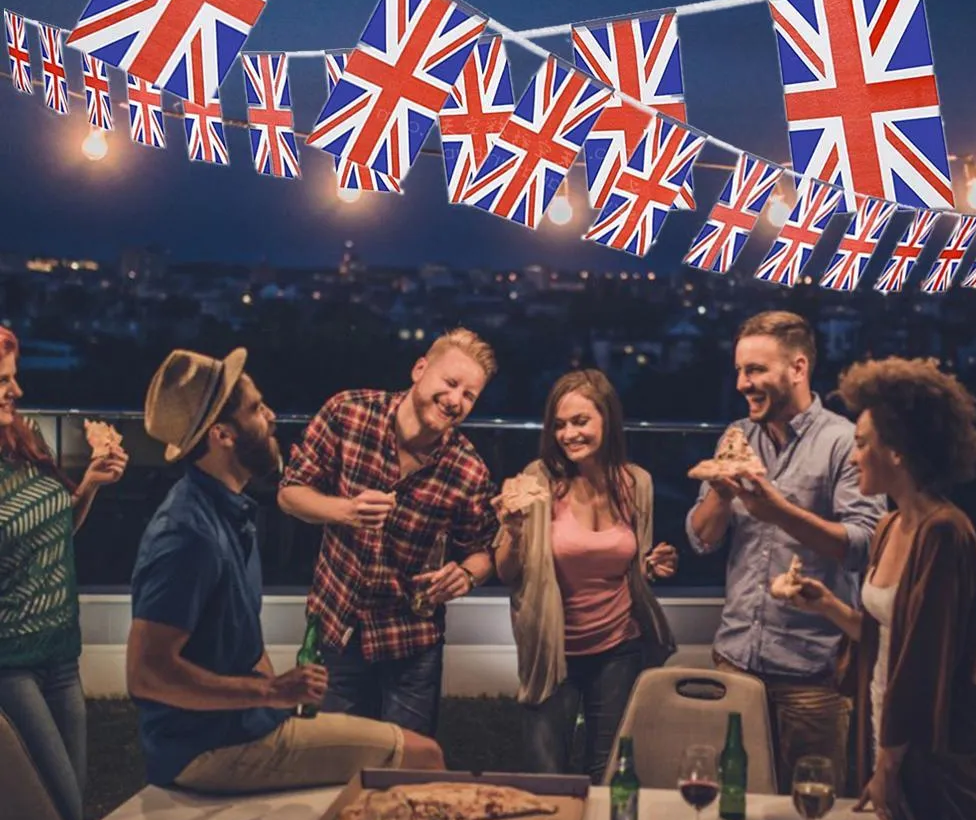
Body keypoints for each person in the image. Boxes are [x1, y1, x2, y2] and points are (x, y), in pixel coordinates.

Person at [127, 348, 443, 794]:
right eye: (256, 409)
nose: (272, 416)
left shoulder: (227, 512)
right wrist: (271, 694)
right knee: (423, 756)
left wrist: (276, 696)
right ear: (222, 435)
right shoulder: (185, 534)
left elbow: (237, 642)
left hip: (243, 726)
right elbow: (146, 674)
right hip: (210, 747)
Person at [790, 358, 976, 820]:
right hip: (892, 738)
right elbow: (883, 636)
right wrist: (827, 605)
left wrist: (890, 766)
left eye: (861, 443)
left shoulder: (944, 533)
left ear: (899, 451)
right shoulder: (890, 527)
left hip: (936, 752)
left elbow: (926, 661)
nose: (853, 457)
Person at [686, 311, 884, 794]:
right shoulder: (738, 436)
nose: (742, 383)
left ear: (797, 368)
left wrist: (779, 511)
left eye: (755, 370)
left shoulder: (844, 442)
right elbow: (702, 539)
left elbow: (862, 545)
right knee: (732, 803)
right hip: (734, 661)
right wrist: (723, 492)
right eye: (739, 370)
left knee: (811, 819)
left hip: (811, 675)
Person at [277, 328, 499, 738]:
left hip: (412, 639)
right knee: (330, 758)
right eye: (450, 383)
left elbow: (484, 550)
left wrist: (467, 575)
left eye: (469, 395)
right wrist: (345, 510)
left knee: (405, 770)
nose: (455, 401)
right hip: (337, 624)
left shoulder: (469, 470)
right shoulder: (348, 412)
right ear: (419, 369)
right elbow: (290, 494)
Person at [493, 370, 678, 783]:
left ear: (607, 420)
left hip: (618, 648)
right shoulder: (537, 481)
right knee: (549, 777)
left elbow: (631, 564)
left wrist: (652, 565)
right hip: (553, 648)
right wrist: (513, 530)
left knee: (608, 772)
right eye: (559, 424)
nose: (568, 434)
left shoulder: (637, 484)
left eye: (580, 422)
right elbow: (508, 572)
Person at [0, 326, 128, 820]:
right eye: (3, 381)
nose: (17, 391)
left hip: (60, 654)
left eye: (14, 377)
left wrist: (91, 482)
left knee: (72, 806)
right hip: (10, 662)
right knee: (52, 813)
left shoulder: (22, 436)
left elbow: (55, 531)